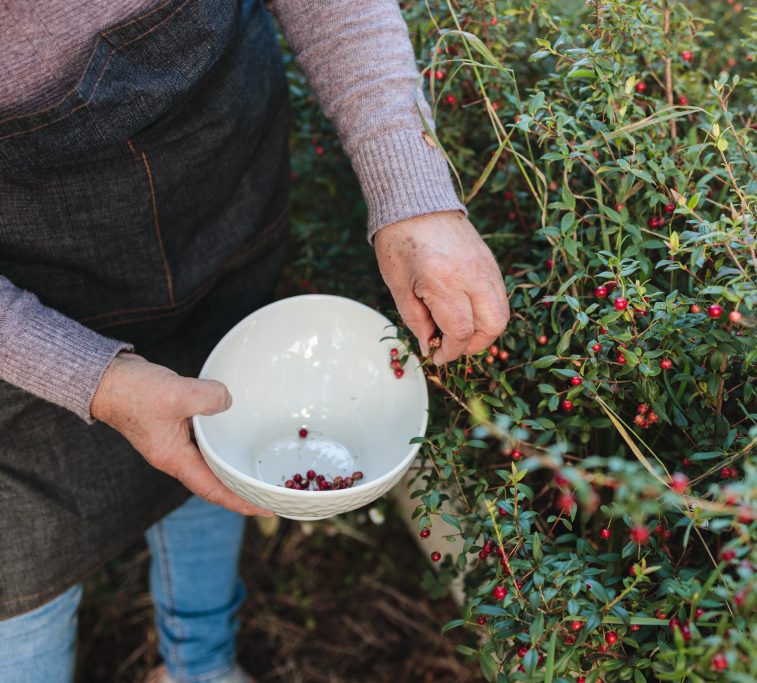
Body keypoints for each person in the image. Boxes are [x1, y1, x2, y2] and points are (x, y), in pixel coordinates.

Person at [0, 1, 509, 681]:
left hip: (221, 184)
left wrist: (412, 191)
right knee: (22, 563)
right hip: (26, 298)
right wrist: (92, 376)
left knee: (225, 438)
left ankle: (202, 666)